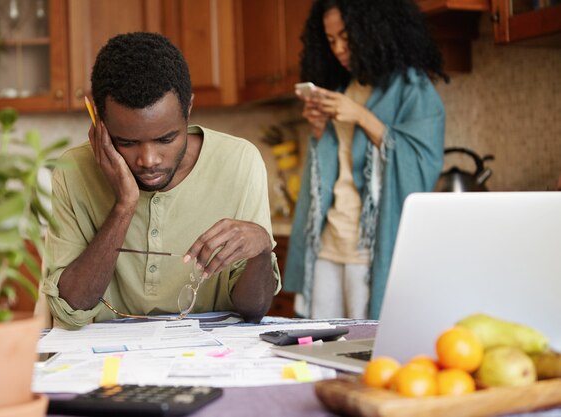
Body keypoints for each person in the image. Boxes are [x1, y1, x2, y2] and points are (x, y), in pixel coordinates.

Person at [42, 32, 279, 329]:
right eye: (126, 142)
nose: (149, 159)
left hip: (210, 357)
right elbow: (71, 309)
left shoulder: (240, 161)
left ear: (188, 110)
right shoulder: (72, 170)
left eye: (166, 138)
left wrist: (261, 248)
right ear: (98, 125)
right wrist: (124, 204)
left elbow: (254, 310)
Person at [284, 0, 448, 320]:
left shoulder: (411, 86)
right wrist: (320, 131)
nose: (340, 49)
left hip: (368, 251)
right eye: (331, 41)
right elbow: (338, 164)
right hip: (330, 242)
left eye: (347, 36)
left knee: (365, 351)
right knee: (318, 348)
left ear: (373, 30)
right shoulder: (347, 86)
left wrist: (362, 117)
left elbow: (422, 162)